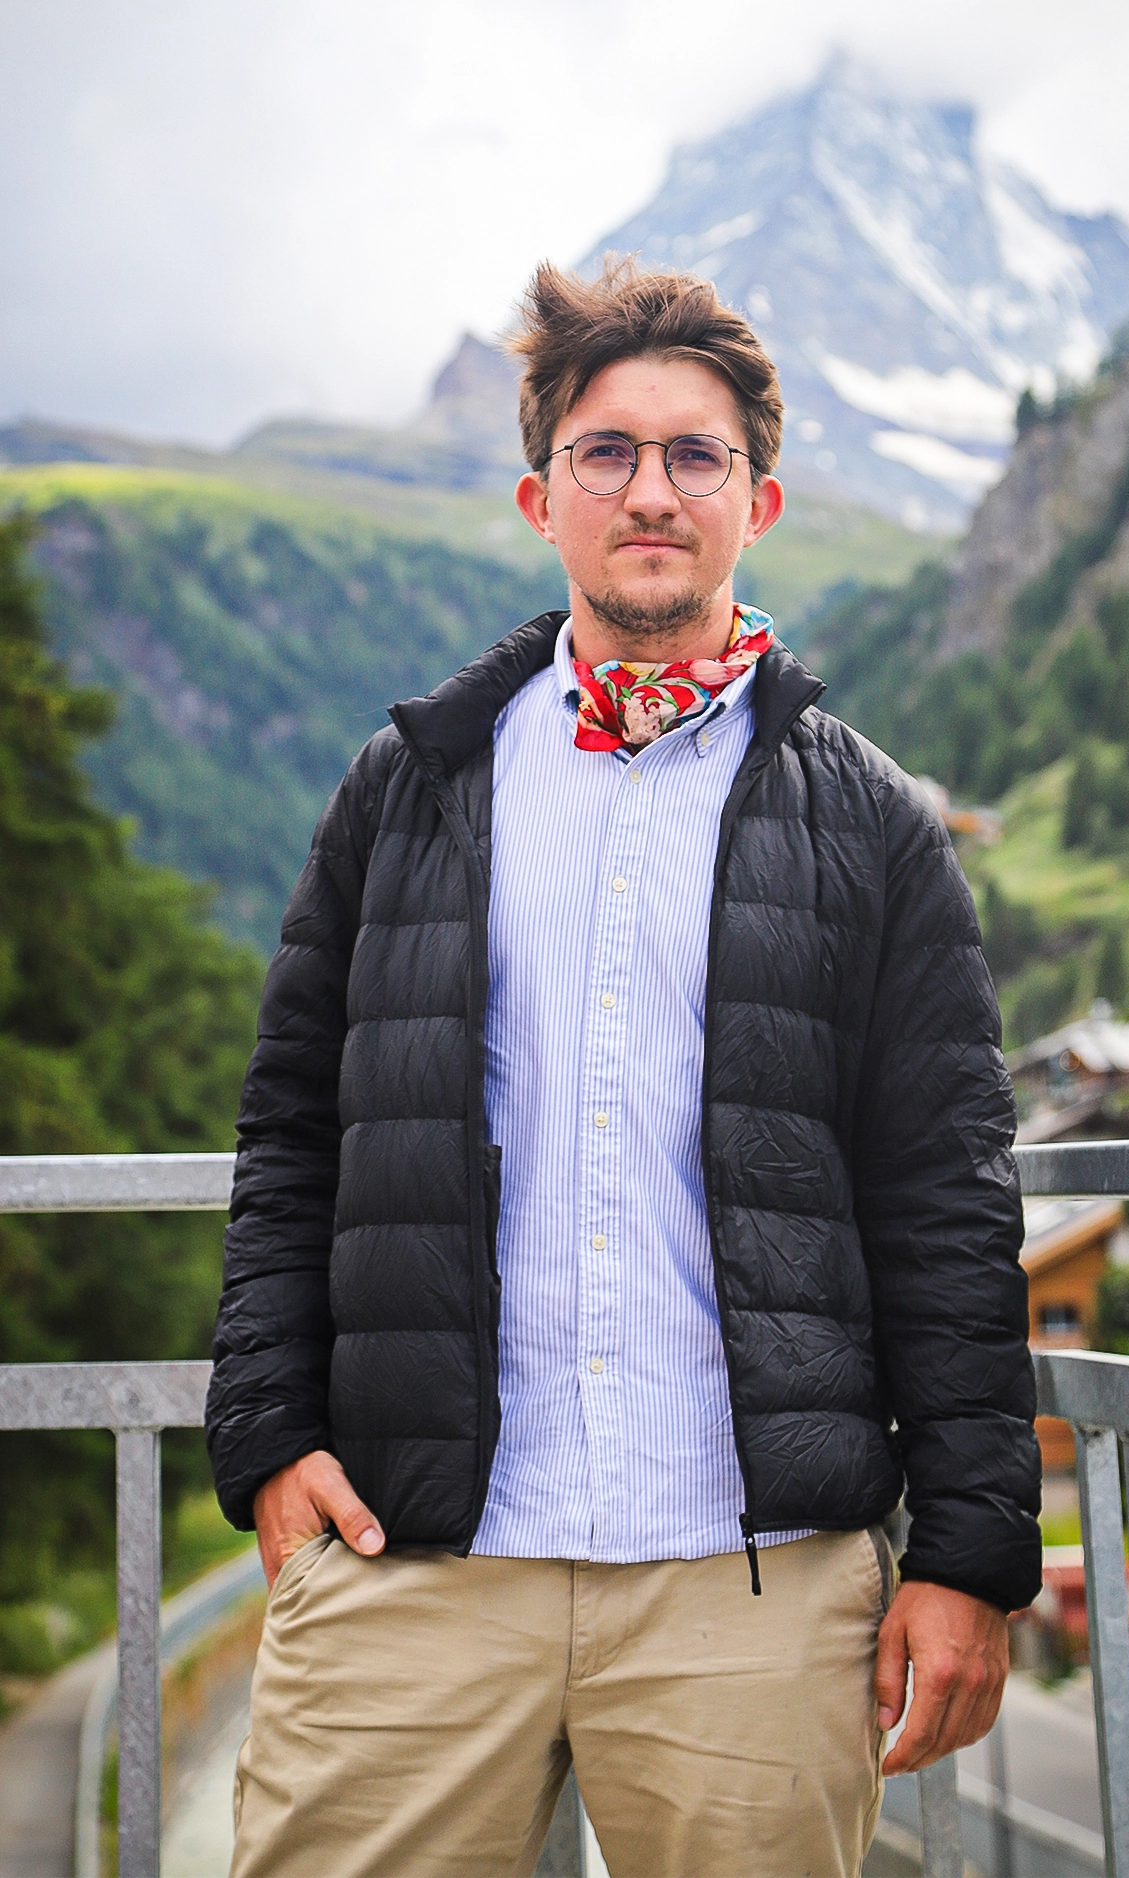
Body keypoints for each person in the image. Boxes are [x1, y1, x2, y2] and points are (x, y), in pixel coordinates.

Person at [205, 257, 1041, 1878]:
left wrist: (972, 1551)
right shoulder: (413, 783)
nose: (649, 490)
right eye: (607, 451)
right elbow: (295, 1125)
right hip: (411, 1553)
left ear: (760, 498)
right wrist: (265, 1434)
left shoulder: (871, 822)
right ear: (541, 495)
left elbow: (949, 1193)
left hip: (752, 1573)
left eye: (693, 455)